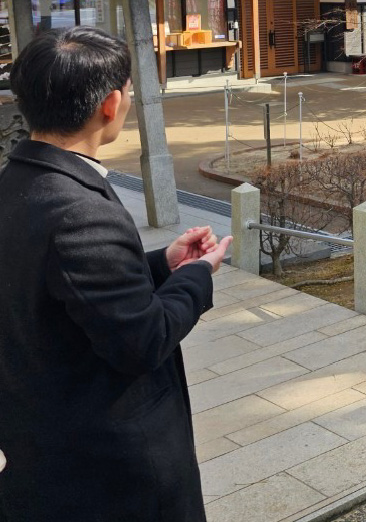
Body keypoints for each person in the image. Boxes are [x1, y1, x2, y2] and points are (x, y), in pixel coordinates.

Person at [0, 27, 233, 522]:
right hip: (110, 471)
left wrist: (158, 264)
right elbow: (143, 340)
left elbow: (57, 287)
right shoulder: (80, 210)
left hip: (40, 442)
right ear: (110, 104)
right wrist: (197, 275)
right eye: (127, 92)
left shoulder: (17, 183)